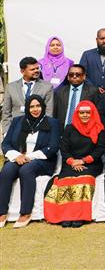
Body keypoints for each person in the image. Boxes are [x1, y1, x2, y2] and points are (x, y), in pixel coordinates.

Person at [43, 100, 105, 227]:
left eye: (88, 112)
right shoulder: (69, 128)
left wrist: (83, 161)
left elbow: (100, 150)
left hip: (91, 164)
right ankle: (65, 215)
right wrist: (73, 162)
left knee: (84, 180)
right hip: (70, 163)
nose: (85, 115)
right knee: (64, 180)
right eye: (81, 112)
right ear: (77, 113)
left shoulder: (99, 129)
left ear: (93, 113)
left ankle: (79, 216)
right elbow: (64, 149)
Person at [0, 95, 60, 228]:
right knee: (7, 170)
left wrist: (29, 157)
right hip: (19, 158)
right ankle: (1, 212)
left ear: (43, 107)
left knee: (26, 170)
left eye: (38, 106)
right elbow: (6, 144)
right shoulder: (17, 121)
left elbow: (53, 147)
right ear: (27, 108)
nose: (35, 109)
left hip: (42, 160)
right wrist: (17, 156)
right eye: (31, 106)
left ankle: (26, 213)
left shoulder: (52, 123)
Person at [1, 57, 54, 134]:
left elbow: (48, 112)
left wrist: (43, 133)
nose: (36, 71)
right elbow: (6, 112)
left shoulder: (47, 87)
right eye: (32, 69)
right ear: (22, 71)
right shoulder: (10, 87)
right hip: (15, 131)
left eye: (37, 68)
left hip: (37, 131)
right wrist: (6, 132)